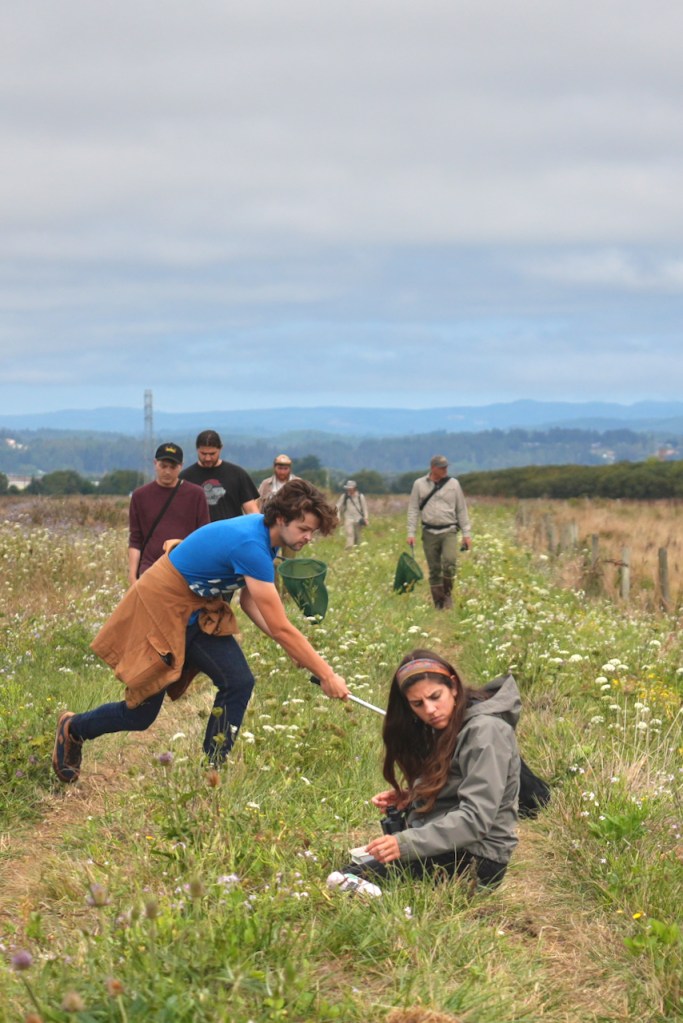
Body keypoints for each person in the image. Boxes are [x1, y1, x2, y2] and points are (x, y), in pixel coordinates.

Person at [52, 479, 350, 783]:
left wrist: (293, 649)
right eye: (304, 529)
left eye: (313, 532)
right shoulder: (251, 545)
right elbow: (281, 627)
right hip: (162, 608)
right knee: (140, 716)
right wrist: (326, 675)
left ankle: (211, 771)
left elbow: (249, 602)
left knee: (238, 682)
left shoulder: (267, 539)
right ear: (281, 518)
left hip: (196, 610)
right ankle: (73, 728)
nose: (308, 537)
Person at [326, 649, 521, 897]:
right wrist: (416, 795)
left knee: (344, 882)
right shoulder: (451, 723)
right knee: (346, 877)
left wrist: (404, 844)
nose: (430, 710)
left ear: (453, 686)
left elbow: (476, 818)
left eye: (435, 697)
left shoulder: (486, 731)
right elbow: (459, 783)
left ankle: (402, 912)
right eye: (417, 704)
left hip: (477, 859)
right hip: (449, 849)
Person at [127, 442, 209, 584]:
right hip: (150, 568)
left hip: (186, 569)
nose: (167, 471)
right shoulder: (140, 496)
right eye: (163, 466)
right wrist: (132, 575)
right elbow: (135, 539)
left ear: (181, 466)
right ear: (155, 464)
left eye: (172, 467)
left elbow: (203, 536)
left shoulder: (196, 494)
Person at [407, 455, 471, 609]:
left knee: (449, 563)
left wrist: (466, 534)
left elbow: (461, 509)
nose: (445, 470)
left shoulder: (454, 484)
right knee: (434, 569)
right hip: (429, 531)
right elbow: (413, 509)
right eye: (442, 467)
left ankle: (447, 595)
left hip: (449, 530)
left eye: (446, 467)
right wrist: (411, 533)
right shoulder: (419, 484)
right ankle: (438, 603)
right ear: (433, 468)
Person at [179, 430, 260, 521]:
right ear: (197, 449)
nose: (208, 458)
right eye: (203, 454)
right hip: (199, 529)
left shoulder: (237, 474)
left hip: (231, 529)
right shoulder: (185, 478)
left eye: (212, 454)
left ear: (220, 448)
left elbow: (252, 512)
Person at [336, 480, 369, 549]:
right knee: (349, 534)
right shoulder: (344, 496)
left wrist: (366, 518)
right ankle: (349, 549)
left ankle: (357, 550)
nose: (349, 490)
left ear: (354, 488)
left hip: (359, 519)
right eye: (348, 488)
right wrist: (338, 516)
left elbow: (365, 508)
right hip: (348, 518)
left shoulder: (360, 496)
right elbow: (337, 507)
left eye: (350, 488)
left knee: (358, 536)